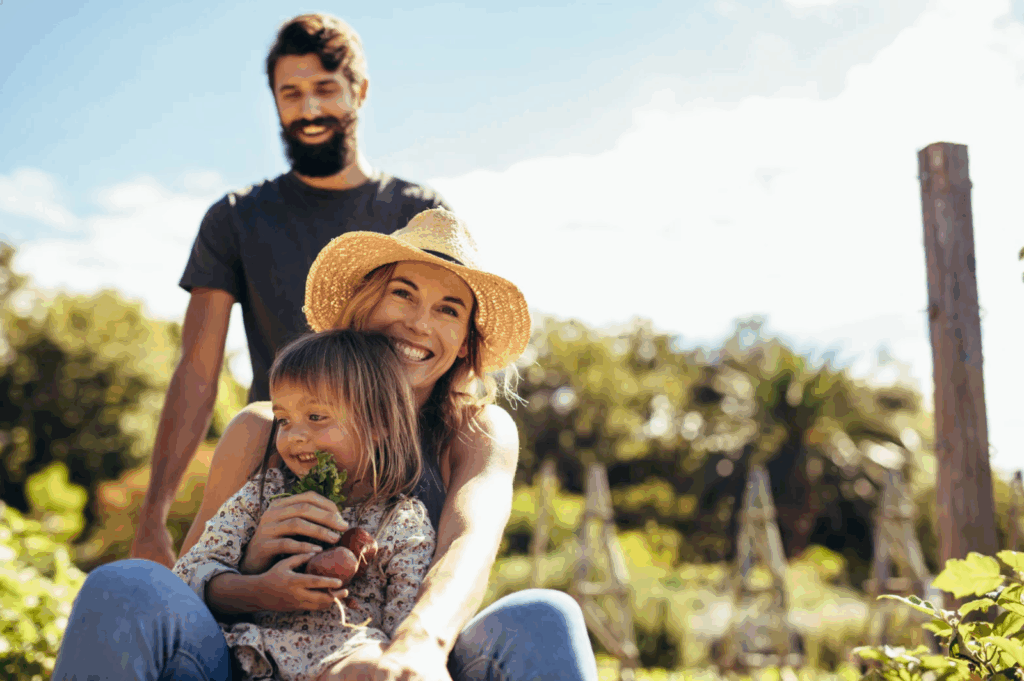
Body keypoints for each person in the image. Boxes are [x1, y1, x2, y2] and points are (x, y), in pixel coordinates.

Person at [54, 209, 599, 681]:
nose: (417, 322)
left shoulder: (476, 429)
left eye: (448, 309)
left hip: (391, 656)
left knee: (546, 614)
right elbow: (187, 584)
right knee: (126, 583)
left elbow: (468, 546)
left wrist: (418, 647)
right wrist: (252, 568)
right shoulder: (262, 429)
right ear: (362, 307)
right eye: (401, 293)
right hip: (247, 658)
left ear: (465, 343)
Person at [131, 12, 451, 568]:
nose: (308, 109)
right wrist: (153, 513)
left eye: (325, 90)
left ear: (360, 92)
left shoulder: (416, 213)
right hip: (279, 467)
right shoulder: (236, 219)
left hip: (399, 475)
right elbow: (197, 372)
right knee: (206, 607)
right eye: (291, 93)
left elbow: (446, 351)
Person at [173, 329, 436, 681]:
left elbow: (405, 619)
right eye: (284, 420)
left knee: (371, 665)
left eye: (316, 417)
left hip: (342, 657)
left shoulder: (401, 520)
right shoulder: (263, 497)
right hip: (244, 652)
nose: (295, 435)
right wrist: (259, 590)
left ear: (379, 424)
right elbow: (187, 577)